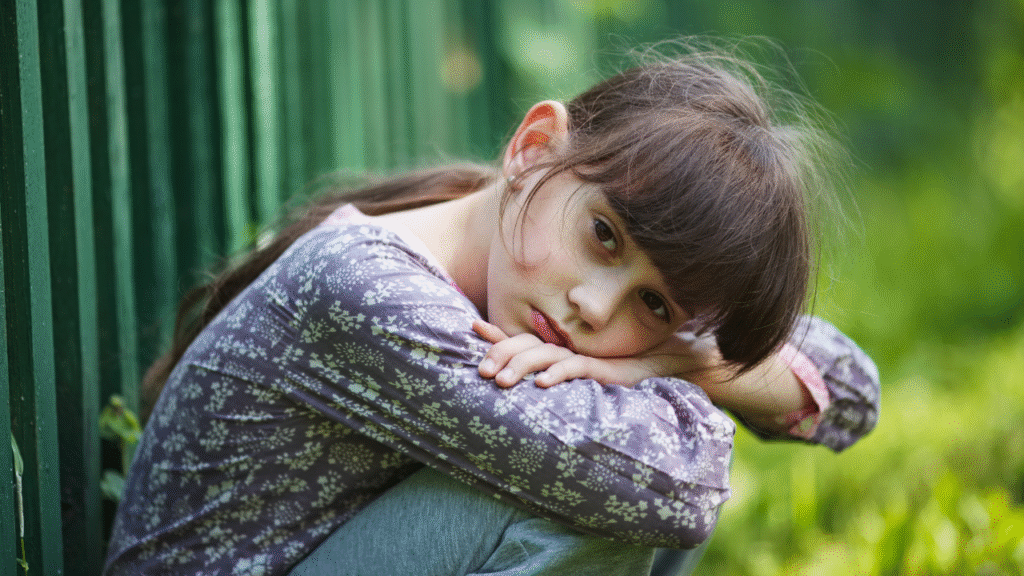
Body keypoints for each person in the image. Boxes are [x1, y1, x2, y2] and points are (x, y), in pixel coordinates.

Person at [104, 45, 879, 575]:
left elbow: (852, 392)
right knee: (607, 492)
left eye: (653, 300)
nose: (592, 309)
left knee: (623, 439)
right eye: (604, 236)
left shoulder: (513, 227)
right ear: (535, 145)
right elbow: (682, 487)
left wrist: (678, 356)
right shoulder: (373, 292)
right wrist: (662, 366)